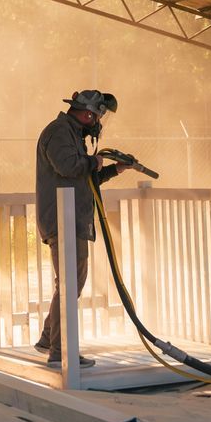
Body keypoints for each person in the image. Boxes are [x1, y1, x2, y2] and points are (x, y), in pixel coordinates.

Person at [34, 89, 134, 367]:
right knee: (70, 285)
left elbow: (85, 179)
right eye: (99, 115)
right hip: (63, 220)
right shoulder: (59, 132)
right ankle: (60, 352)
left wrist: (115, 169)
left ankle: (47, 339)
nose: (100, 121)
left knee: (67, 285)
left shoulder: (71, 134)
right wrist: (95, 161)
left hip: (72, 218)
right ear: (89, 113)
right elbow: (69, 167)